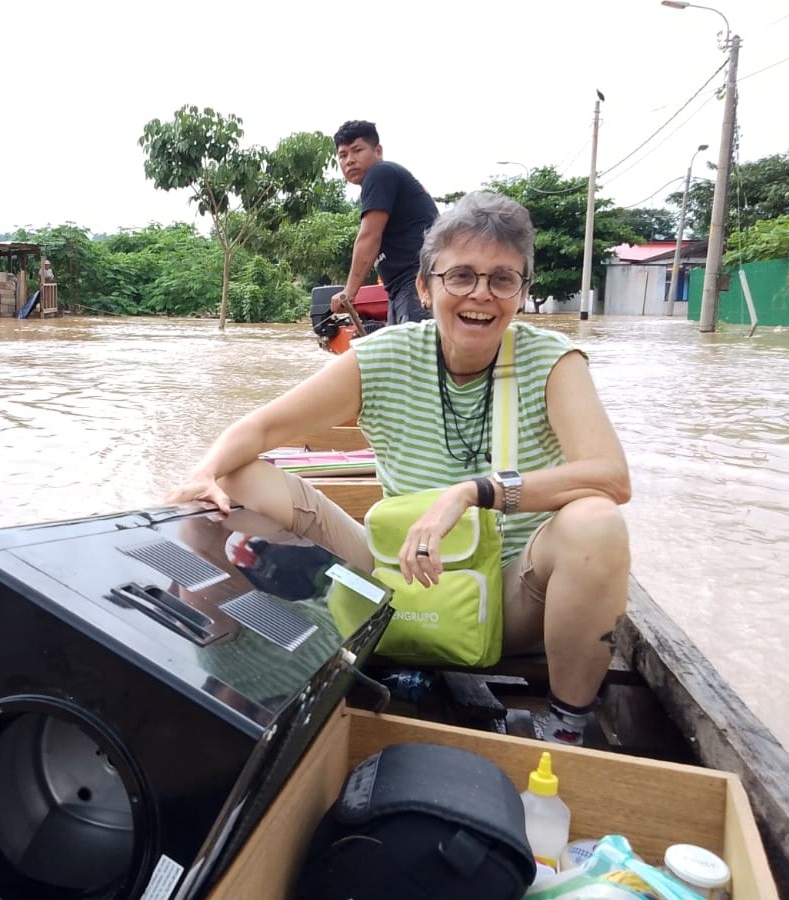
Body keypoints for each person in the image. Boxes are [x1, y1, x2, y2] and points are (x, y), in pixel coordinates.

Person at [167, 192, 631, 746]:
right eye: (460, 276)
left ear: (522, 293)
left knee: (596, 523)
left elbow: (610, 476)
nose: (480, 295)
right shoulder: (383, 356)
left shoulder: (553, 361)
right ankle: (233, 664)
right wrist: (204, 472)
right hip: (396, 575)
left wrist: (473, 492)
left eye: (502, 279)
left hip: (508, 595)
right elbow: (260, 429)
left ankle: (568, 726)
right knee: (230, 481)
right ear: (425, 287)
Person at [329, 119, 439, 325]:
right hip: (404, 286)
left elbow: (369, 235)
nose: (349, 160)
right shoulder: (380, 182)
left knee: (413, 354)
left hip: (416, 280)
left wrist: (349, 292)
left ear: (377, 151)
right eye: (343, 155)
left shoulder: (381, 173)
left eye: (357, 150)